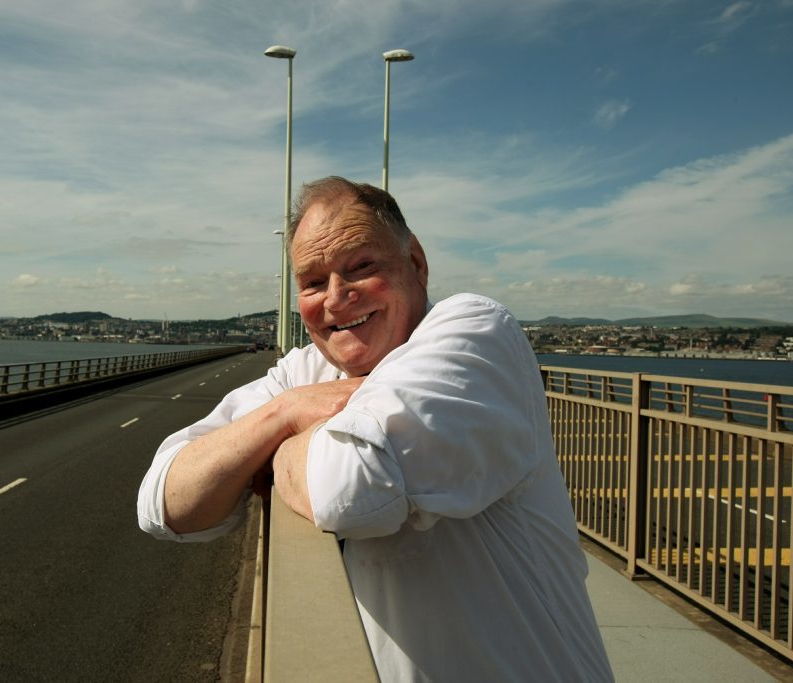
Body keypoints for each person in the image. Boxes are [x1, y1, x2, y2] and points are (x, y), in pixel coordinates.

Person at [138, 176, 613, 681]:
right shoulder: (304, 376)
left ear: (417, 263)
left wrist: (273, 452)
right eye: (314, 282)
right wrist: (284, 413)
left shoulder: (474, 332)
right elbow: (163, 501)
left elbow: (351, 489)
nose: (337, 298)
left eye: (362, 266)